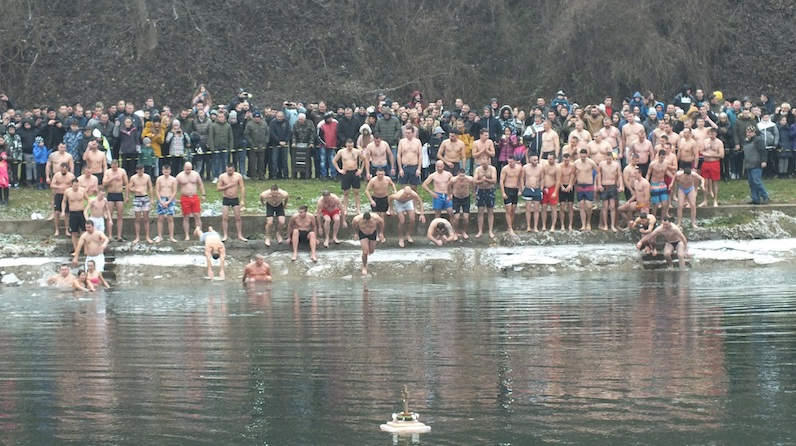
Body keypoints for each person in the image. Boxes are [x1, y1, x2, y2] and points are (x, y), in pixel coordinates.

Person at [333, 138, 368, 217]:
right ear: (346, 145)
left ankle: (358, 208)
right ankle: (345, 208)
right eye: (349, 146)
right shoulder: (341, 152)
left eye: (351, 146)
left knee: (356, 191)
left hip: (354, 172)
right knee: (346, 192)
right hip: (346, 172)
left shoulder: (357, 151)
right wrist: (339, 170)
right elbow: (334, 161)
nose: (350, 147)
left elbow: (364, 159)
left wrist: (361, 170)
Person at [365, 168, 397, 242]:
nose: (380, 176)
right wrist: (371, 200)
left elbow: (392, 184)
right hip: (375, 198)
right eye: (379, 174)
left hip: (384, 198)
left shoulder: (387, 179)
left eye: (382, 174)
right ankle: (375, 234)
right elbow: (367, 190)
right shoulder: (373, 180)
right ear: (376, 173)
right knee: (375, 217)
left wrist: (394, 190)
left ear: (384, 173)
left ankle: (381, 233)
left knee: (382, 217)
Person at [217, 163, 247, 241]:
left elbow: (242, 187)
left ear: (233, 169)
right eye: (227, 171)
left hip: (235, 198)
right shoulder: (222, 176)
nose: (229, 172)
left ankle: (239, 235)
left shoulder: (238, 176)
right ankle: (225, 235)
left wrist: (242, 199)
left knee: (238, 217)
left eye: (230, 171)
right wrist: (228, 186)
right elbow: (218, 188)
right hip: (226, 198)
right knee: (224, 217)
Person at [176, 161, 206, 240]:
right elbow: (174, 187)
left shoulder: (195, 174)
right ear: (184, 168)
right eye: (187, 169)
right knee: (186, 216)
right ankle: (187, 235)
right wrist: (174, 198)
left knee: (197, 215)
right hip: (185, 197)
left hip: (194, 197)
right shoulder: (179, 176)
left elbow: (200, 184)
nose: (188, 171)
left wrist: (203, 194)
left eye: (190, 169)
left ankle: (199, 233)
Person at [596, 153, 624, 233]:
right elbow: (599, 174)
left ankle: (612, 225)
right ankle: (605, 225)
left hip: (612, 185)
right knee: (605, 207)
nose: (608, 160)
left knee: (612, 206)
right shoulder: (602, 164)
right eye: (607, 159)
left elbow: (619, 176)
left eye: (610, 159)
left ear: (612, 158)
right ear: (605, 158)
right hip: (604, 185)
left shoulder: (616, 165)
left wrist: (621, 185)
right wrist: (599, 184)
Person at [742, 125, 769, 204]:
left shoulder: (758, 140)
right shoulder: (746, 141)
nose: (748, 134)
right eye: (747, 132)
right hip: (748, 164)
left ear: (754, 132)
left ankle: (765, 197)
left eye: (750, 132)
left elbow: (763, 151)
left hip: (756, 164)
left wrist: (764, 161)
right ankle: (755, 199)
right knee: (751, 183)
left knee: (757, 181)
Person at [103, 160, 129, 242]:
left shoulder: (122, 171)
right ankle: (110, 235)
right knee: (109, 215)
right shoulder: (108, 172)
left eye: (116, 166)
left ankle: (119, 236)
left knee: (120, 215)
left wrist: (127, 196)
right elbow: (104, 183)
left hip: (119, 194)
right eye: (113, 166)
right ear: (111, 165)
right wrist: (112, 178)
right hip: (110, 194)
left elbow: (126, 184)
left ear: (118, 164)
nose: (114, 167)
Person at [573, 149, 598, 231]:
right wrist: (572, 184)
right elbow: (573, 174)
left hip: (589, 184)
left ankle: (588, 222)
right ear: (580, 155)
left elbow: (598, 172)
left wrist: (596, 184)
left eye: (584, 156)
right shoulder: (576, 163)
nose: (583, 158)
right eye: (581, 156)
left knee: (589, 206)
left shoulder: (591, 162)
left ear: (587, 155)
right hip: (580, 185)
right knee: (581, 205)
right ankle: (583, 224)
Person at [473, 155, 497, 239]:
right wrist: (481, 181)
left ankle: (490, 230)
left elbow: (494, 180)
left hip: (490, 190)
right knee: (480, 211)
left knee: (490, 211)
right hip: (481, 190)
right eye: (482, 163)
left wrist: (486, 180)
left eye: (485, 163)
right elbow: (475, 181)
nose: (484, 165)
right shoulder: (478, 169)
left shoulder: (492, 169)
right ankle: (480, 230)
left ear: (488, 161)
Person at [129, 164, 154, 244]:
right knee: (137, 219)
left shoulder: (147, 177)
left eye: (142, 170)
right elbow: (129, 188)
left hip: (145, 197)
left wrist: (152, 198)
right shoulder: (133, 178)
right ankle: (137, 237)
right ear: (136, 170)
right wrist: (135, 190)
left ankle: (147, 236)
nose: (141, 172)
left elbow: (150, 187)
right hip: (137, 198)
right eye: (139, 171)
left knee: (146, 218)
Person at [699, 128, 724, 207]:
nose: (711, 135)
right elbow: (701, 150)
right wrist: (703, 153)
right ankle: (705, 200)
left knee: (715, 182)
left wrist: (711, 155)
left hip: (714, 163)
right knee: (705, 183)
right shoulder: (705, 141)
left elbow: (721, 155)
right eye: (710, 134)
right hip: (706, 163)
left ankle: (715, 200)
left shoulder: (719, 142)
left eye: (713, 134)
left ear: (716, 134)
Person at [63, 179, 89, 254]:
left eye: (77, 185)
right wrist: (63, 211)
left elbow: (88, 199)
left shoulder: (82, 190)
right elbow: (64, 201)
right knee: (74, 232)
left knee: (84, 231)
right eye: (75, 186)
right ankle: (76, 250)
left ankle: (86, 250)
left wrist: (87, 209)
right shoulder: (67, 191)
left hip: (81, 212)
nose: (76, 187)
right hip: (73, 213)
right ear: (71, 185)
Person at [49, 162, 75, 237]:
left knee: (66, 213)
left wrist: (68, 188)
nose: (63, 172)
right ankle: (57, 229)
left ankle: (67, 229)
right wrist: (59, 187)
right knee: (57, 212)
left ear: (67, 169)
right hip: (58, 195)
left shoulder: (71, 176)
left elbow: (74, 185)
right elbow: (52, 185)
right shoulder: (57, 175)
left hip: (67, 195)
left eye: (64, 170)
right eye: (61, 170)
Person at [154, 163, 179, 242]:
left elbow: (174, 191)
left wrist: (169, 201)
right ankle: (160, 236)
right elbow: (157, 191)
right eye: (165, 171)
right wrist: (161, 201)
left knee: (170, 218)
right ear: (162, 171)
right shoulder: (159, 179)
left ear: (170, 171)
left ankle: (171, 236)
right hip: (161, 198)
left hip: (170, 199)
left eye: (167, 171)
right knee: (160, 218)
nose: (166, 173)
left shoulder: (173, 180)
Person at [646, 149, 673, 219]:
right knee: (655, 204)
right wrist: (647, 183)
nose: (662, 159)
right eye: (661, 157)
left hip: (662, 183)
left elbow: (666, 171)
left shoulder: (666, 163)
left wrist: (673, 177)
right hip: (654, 183)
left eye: (663, 157)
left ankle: (663, 219)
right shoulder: (652, 164)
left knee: (665, 203)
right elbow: (648, 174)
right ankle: (653, 218)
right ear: (658, 156)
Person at [448, 169, 474, 239]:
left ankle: (463, 231)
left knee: (466, 217)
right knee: (456, 217)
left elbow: (474, 185)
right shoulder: (453, 180)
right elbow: (448, 186)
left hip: (466, 198)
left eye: (463, 176)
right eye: (460, 176)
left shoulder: (469, 179)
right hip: (456, 198)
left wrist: (474, 193)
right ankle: (455, 232)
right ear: (458, 175)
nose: (462, 178)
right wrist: (449, 195)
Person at [540, 152, 562, 232]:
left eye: (551, 159)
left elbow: (558, 180)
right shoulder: (544, 165)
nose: (549, 161)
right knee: (544, 207)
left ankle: (553, 226)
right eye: (548, 159)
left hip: (552, 188)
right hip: (544, 188)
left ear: (555, 159)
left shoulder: (557, 168)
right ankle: (544, 225)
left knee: (553, 208)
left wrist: (555, 192)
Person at [396, 125, 423, 190]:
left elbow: (420, 155)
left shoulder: (417, 141)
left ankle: (414, 200)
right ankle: (404, 199)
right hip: (404, 166)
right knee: (403, 186)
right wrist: (400, 169)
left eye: (409, 133)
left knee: (414, 186)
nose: (407, 134)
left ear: (413, 133)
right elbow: (398, 155)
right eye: (406, 133)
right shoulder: (402, 141)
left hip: (414, 166)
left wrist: (419, 169)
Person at [558, 153, 576, 231]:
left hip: (570, 186)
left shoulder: (572, 166)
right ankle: (562, 225)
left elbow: (575, 176)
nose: (566, 162)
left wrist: (571, 184)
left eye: (568, 160)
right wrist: (561, 186)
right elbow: (558, 177)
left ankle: (570, 225)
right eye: (565, 160)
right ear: (563, 159)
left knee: (570, 206)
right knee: (562, 206)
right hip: (562, 186)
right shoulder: (559, 166)